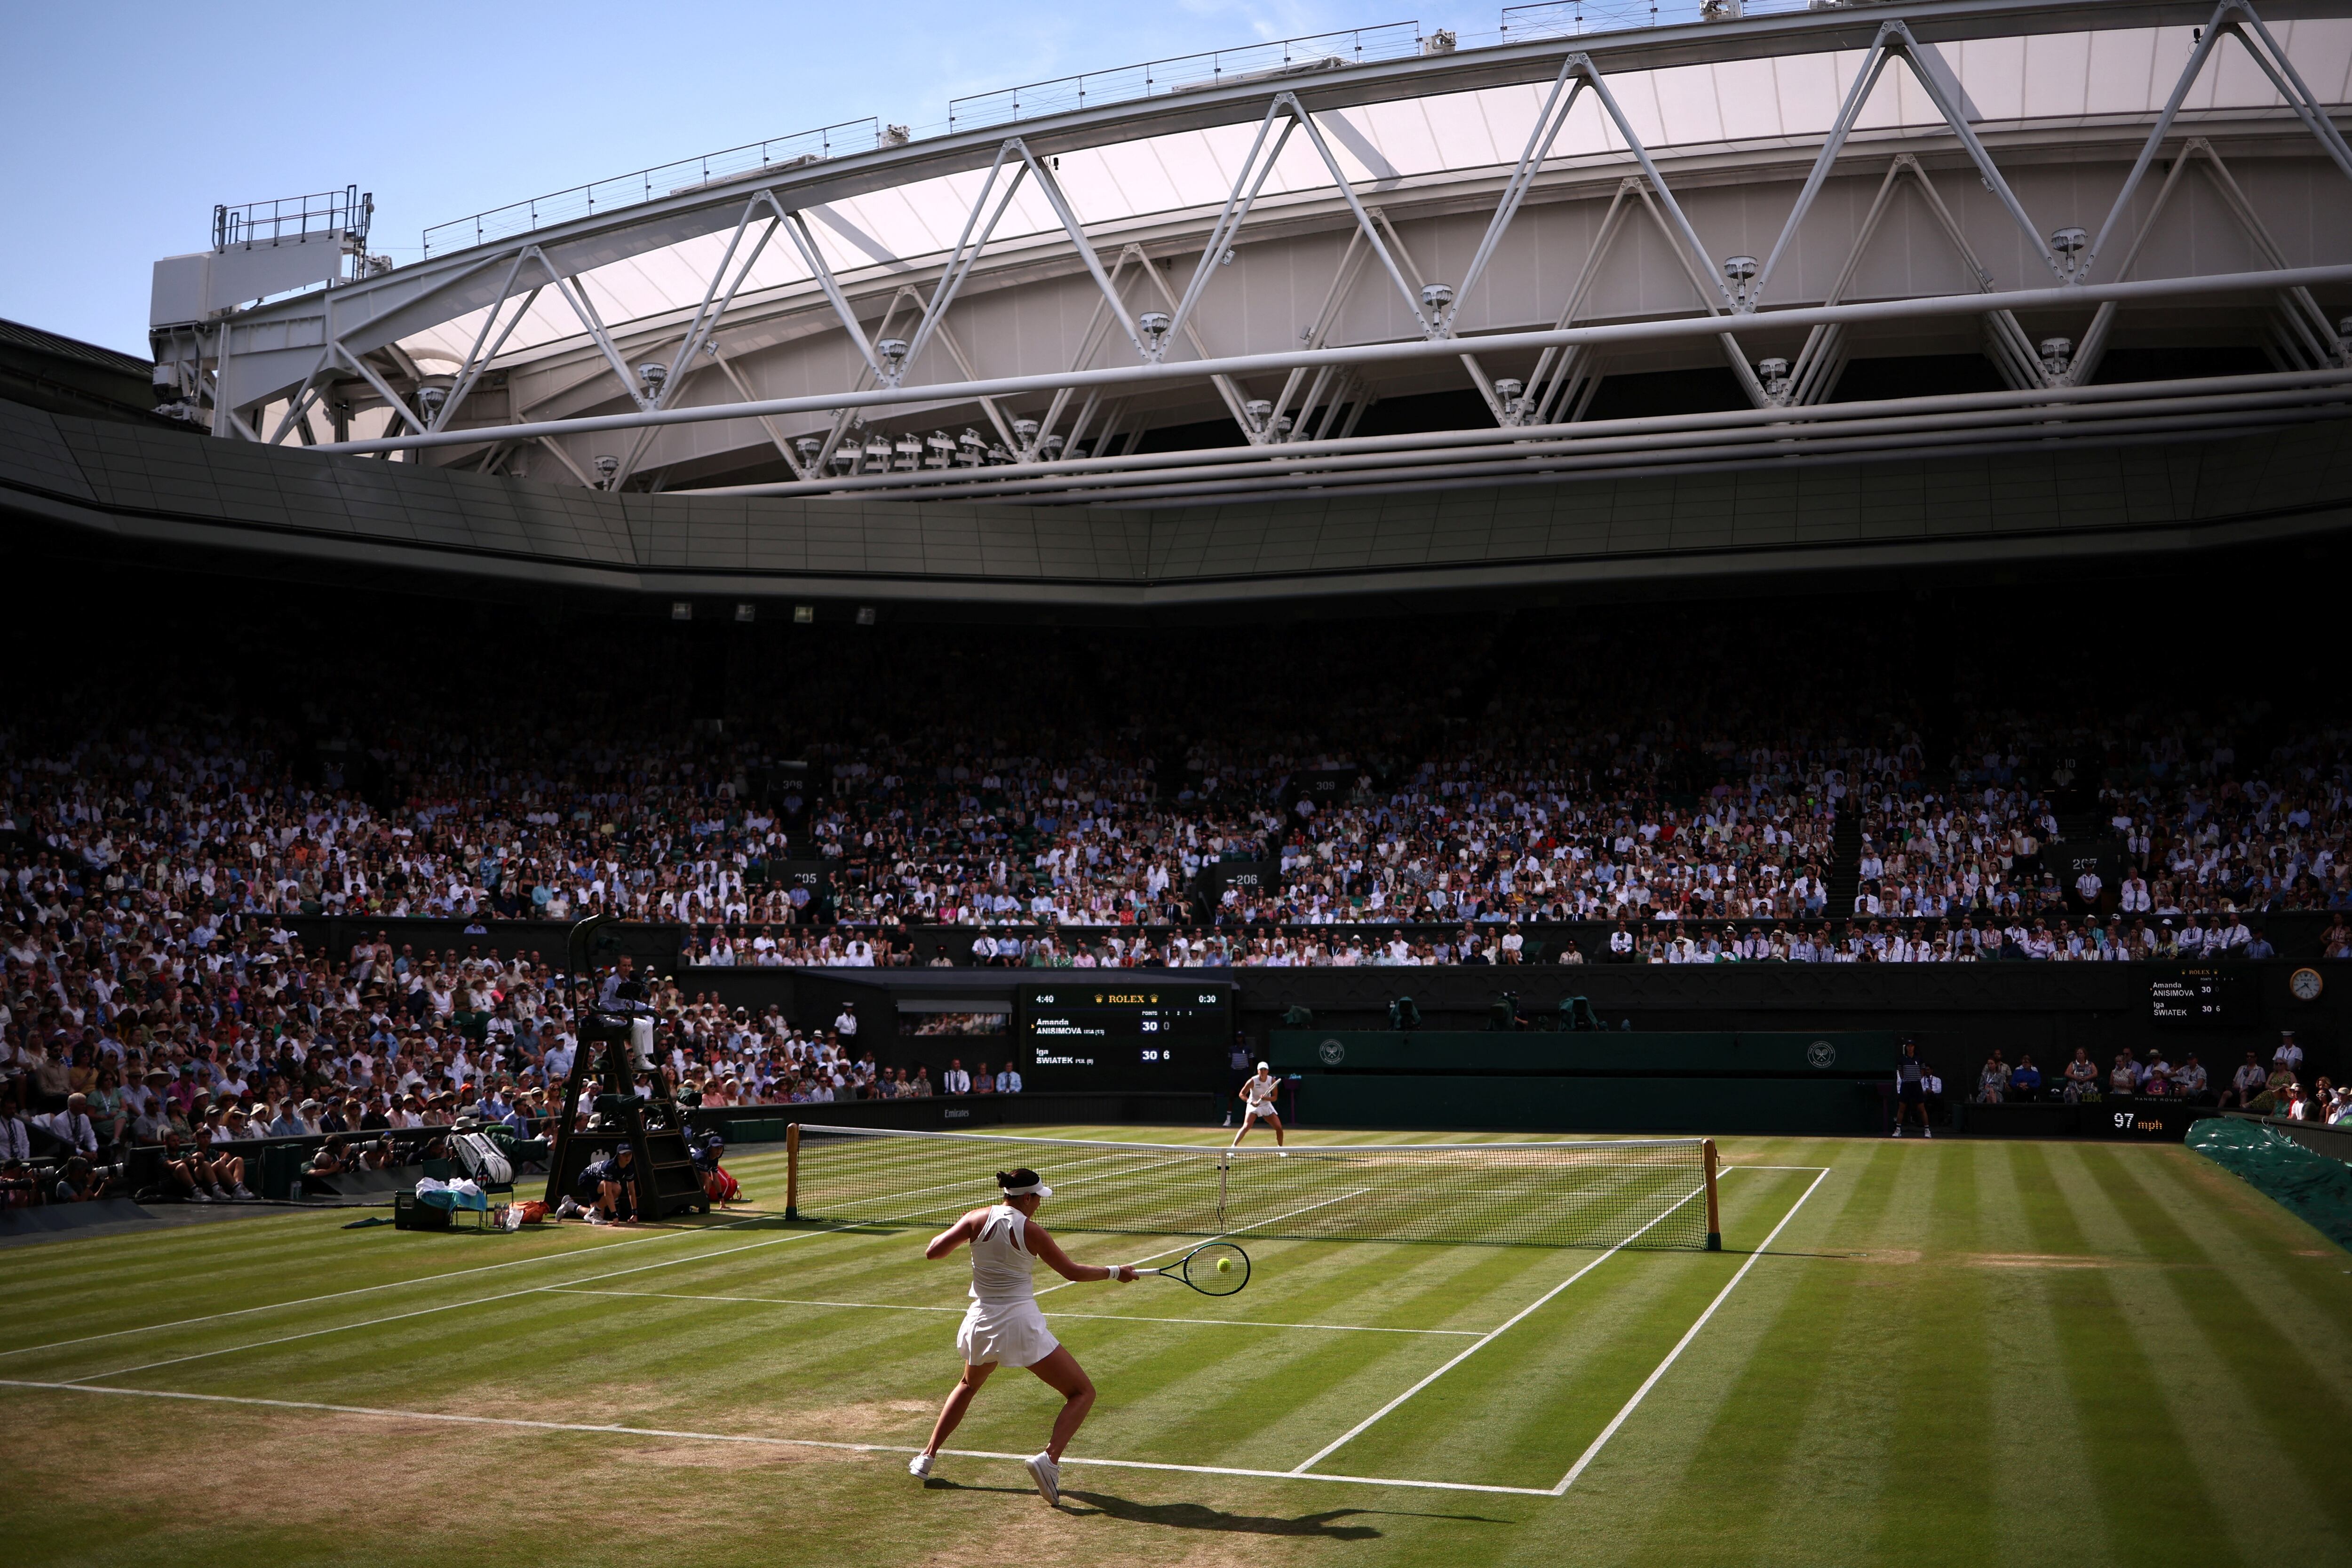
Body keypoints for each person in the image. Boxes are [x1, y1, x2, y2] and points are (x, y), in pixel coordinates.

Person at [907, 1167, 1137, 1504]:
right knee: (1082, 1392)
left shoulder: (974, 1218)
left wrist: (961, 1228)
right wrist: (1116, 1272)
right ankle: (1049, 1459)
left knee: (968, 1385)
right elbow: (1072, 1271)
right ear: (1026, 1197)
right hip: (1019, 1324)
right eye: (1037, 1199)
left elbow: (934, 1252)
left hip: (982, 1322)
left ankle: (927, 1457)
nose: (1038, 1206)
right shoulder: (1032, 1231)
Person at [1232, 1061, 1287, 1149]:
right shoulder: (1252, 1081)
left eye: (1265, 1069)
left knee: (1279, 1128)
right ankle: (1233, 1148)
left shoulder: (1272, 1081)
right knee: (1247, 1126)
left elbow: (1275, 1098)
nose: (1263, 1071)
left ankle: (1280, 1149)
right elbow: (1242, 1094)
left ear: (1268, 1071)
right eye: (1261, 1070)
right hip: (1253, 1105)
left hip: (1266, 1105)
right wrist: (1251, 1102)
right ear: (1258, 1071)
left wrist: (1266, 1099)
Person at [1892, 1040, 1931, 1137]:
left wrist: (1917, 1079)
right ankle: (1898, 1130)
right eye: (1908, 1046)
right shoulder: (1902, 1060)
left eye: (1912, 1046)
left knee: (1922, 1108)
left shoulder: (1919, 1059)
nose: (1910, 1048)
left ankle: (1927, 1130)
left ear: (1914, 1047)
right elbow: (1901, 1072)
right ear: (1906, 1048)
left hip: (1916, 1085)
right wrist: (1905, 1079)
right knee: (1902, 1108)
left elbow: (1922, 1071)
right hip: (1906, 1085)